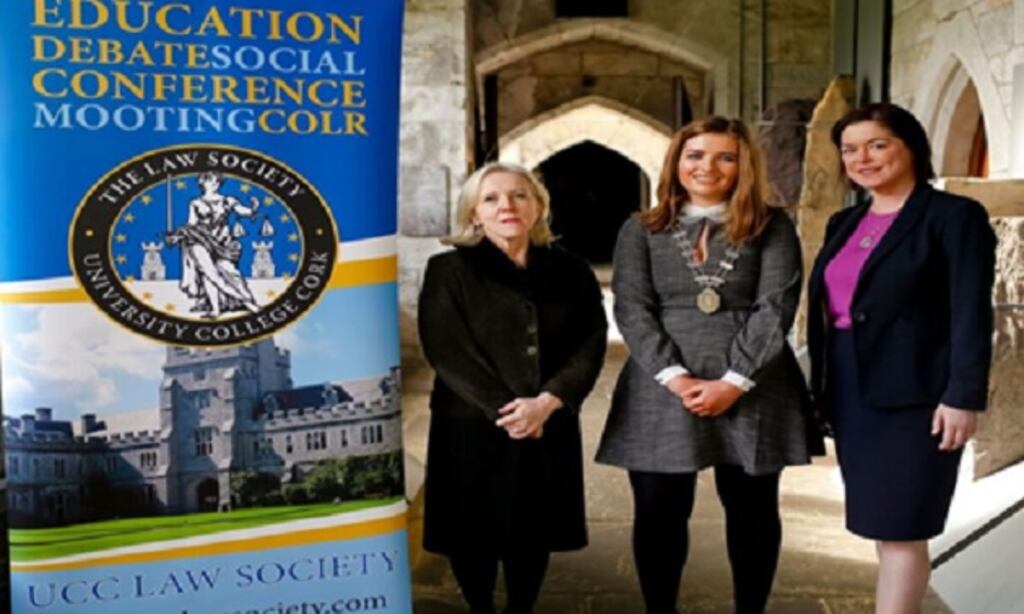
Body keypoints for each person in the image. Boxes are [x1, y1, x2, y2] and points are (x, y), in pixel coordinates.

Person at [596, 116, 822, 614]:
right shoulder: (641, 228)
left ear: (744, 166)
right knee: (658, 511)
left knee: (752, 511)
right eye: (695, 155)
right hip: (660, 385)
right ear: (677, 161)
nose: (708, 167)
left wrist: (735, 380)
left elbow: (776, 306)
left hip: (754, 384)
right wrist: (675, 377)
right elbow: (631, 307)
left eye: (726, 157)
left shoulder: (772, 225)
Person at [807, 102, 996, 613]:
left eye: (877, 145)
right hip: (852, 390)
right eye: (850, 149)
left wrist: (963, 396)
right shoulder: (844, 221)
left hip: (919, 394)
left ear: (910, 146)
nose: (862, 158)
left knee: (903, 528)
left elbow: (971, 312)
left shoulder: (954, 217)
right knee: (882, 521)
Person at [417, 162, 608, 613]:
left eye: (519, 195)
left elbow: (591, 340)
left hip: (547, 417)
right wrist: (511, 410)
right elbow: (446, 348)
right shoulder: (448, 269)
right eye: (491, 198)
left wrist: (547, 402)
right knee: (471, 531)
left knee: (532, 527)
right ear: (474, 213)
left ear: (538, 206)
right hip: (471, 421)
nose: (507, 205)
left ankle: (522, 609)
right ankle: (480, 608)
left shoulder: (571, 270)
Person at [171, 171, 261, 317]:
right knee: (209, 275)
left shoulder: (228, 200)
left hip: (223, 242)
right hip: (201, 240)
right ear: (202, 183)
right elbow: (191, 224)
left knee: (231, 272)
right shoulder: (195, 203)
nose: (214, 183)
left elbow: (241, 210)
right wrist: (178, 235)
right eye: (210, 180)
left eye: (217, 181)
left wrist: (252, 210)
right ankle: (216, 308)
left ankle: (247, 300)